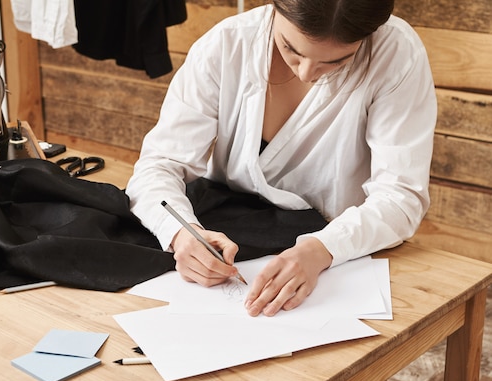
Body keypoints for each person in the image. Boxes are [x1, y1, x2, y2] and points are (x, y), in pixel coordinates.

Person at [125, 0, 437, 317]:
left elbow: (401, 196)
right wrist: (181, 234)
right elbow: (158, 164)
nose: (306, 73)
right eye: (291, 49)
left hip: (337, 247)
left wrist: (322, 249)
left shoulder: (395, 54)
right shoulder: (227, 45)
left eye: (335, 62)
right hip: (227, 231)